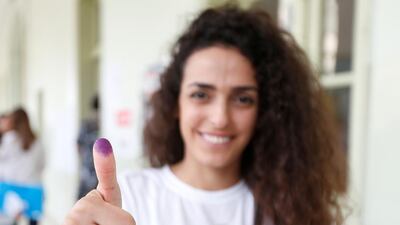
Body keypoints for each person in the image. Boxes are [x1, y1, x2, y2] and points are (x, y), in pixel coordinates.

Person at [63, 5, 347, 225]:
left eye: (242, 99)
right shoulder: (129, 198)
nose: (220, 117)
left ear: (266, 111)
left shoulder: (289, 206)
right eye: (201, 94)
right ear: (175, 103)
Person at [0, 107, 45, 225]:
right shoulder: (37, 140)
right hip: (34, 188)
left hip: (12, 188)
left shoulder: (9, 139)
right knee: (33, 222)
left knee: (10, 221)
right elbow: (42, 164)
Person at [77, 95, 100, 199]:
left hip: (88, 168)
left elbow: (78, 145)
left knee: (84, 200)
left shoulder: (86, 123)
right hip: (93, 169)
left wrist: (84, 160)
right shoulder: (100, 124)